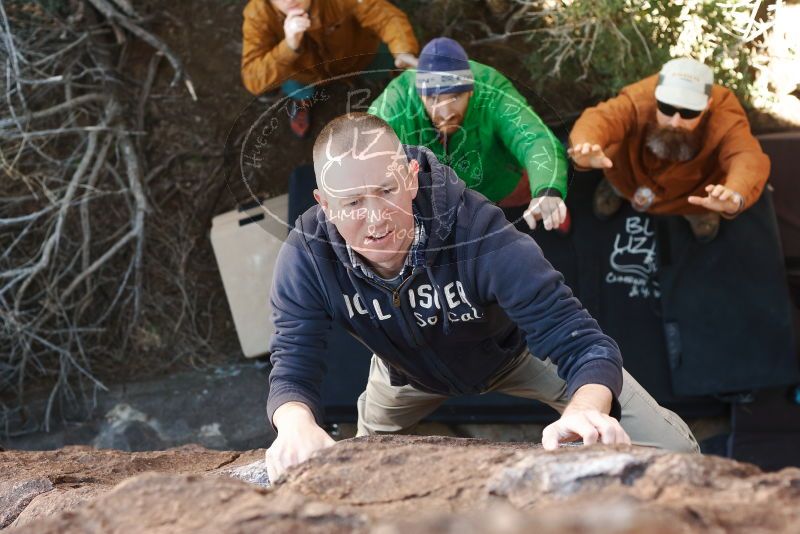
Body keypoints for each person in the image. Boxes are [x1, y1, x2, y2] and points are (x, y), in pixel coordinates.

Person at [263, 112, 699, 480]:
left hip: (516, 353)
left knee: (676, 452)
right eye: (352, 203)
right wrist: (295, 423)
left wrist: (586, 409)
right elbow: (292, 363)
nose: (375, 218)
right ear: (324, 204)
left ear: (411, 179)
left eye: (387, 191)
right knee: (352, 472)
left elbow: (583, 342)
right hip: (404, 375)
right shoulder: (307, 257)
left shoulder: (480, 233)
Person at [368, 37, 570, 234]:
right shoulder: (394, 105)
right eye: (433, 98)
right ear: (420, 94)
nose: (446, 113)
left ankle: (552, 209)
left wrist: (548, 189)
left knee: (529, 194)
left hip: (500, 179)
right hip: (438, 203)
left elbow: (532, 136)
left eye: (455, 97)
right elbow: (363, 151)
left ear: (471, 92)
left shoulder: (491, 90)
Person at [568, 57, 770, 242]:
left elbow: (746, 155)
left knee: (707, 203)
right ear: (656, 96)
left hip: (693, 193)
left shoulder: (725, 113)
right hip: (630, 174)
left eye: (689, 112)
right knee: (617, 179)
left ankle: (702, 213)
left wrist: (734, 193)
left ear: (708, 105)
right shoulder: (639, 97)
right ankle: (616, 189)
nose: (675, 122)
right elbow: (601, 118)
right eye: (666, 108)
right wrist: (585, 145)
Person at [241, 0, 419, 138]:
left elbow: (383, 15)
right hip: (303, 74)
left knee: (383, 62)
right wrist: (288, 47)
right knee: (294, 87)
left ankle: (393, 80)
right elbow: (253, 78)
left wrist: (403, 49)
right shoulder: (258, 15)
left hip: (356, 56)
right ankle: (302, 102)